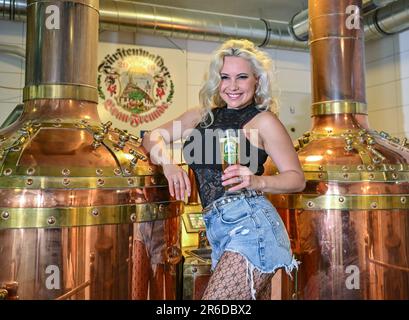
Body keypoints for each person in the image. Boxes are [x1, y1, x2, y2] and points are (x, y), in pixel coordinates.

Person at [142, 39, 305, 300]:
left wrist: (257, 181)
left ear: (257, 81)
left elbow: (296, 179)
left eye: (242, 77)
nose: (232, 86)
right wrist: (169, 165)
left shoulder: (264, 121)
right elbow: (152, 136)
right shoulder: (200, 116)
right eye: (225, 77)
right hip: (217, 229)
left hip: (252, 227)